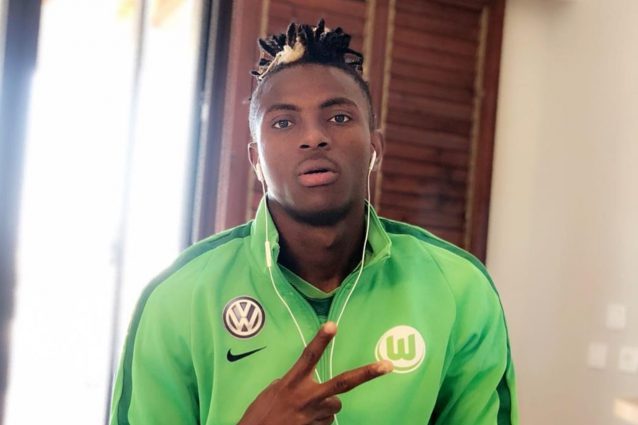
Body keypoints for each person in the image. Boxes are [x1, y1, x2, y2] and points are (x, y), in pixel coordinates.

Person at [109, 19, 519, 425]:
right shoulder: (177, 297)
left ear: (374, 148)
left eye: (338, 117)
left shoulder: (459, 289)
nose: (313, 137)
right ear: (256, 160)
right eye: (283, 122)